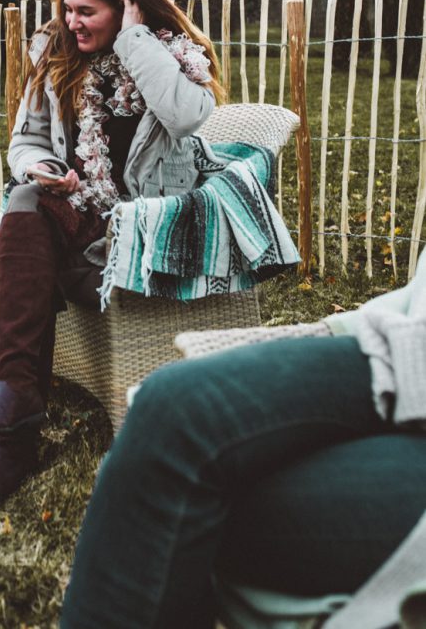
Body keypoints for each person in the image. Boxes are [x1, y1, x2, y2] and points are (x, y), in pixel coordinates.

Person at [0, 0, 223, 501]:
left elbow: (183, 115)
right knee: (28, 196)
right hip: (76, 210)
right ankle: (16, 404)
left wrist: (133, 42)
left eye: (86, 11)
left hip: (138, 226)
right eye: (66, 10)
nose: (72, 23)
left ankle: (14, 439)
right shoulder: (56, 60)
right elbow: (25, 142)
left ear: (127, 6)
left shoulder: (176, 59)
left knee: (27, 250)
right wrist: (41, 166)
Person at [59, 253, 426, 629]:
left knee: (181, 508)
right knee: (172, 406)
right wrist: (331, 330)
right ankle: (17, 398)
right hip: (406, 343)